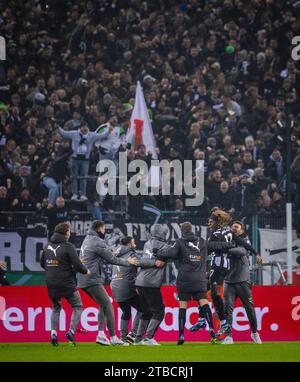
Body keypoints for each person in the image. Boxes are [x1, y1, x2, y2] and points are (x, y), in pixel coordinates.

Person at [156, 221, 237, 345]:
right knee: (204, 303)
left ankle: (181, 336)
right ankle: (211, 332)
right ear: (191, 229)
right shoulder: (202, 242)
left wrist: (158, 252)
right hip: (200, 280)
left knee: (183, 307)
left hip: (184, 280)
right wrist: (230, 244)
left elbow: (170, 253)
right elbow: (217, 245)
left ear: (182, 231)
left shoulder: (180, 242)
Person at [77, 220, 138, 346]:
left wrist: (111, 252)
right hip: (91, 278)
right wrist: (128, 262)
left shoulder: (88, 239)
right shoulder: (97, 241)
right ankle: (114, 338)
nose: (104, 232)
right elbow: (112, 259)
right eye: (104, 229)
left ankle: (100, 335)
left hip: (83, 278)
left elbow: (104, 252)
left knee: (103, 303)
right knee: (107, 304)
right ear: (99, 229)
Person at [40, 222, 90, 346]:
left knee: (56, 307)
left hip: (51, 283)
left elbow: (43, 264)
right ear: (66, 232)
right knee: (77, 306)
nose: (69, 233)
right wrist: (86, 270)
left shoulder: (47, 246)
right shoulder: (68, 246)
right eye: (68, 231)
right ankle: (71, 331)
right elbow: (77, 265)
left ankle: (53, 333)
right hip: (66, 283)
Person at [222, 221, 263, 345]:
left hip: (243, 281)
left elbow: (241, 251)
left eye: (236, 227)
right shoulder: (227, 239)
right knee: (227, 309)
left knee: (249, 309)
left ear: (241, 230)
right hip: (228, 281)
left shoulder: (245, 240)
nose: (233, 229)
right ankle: (228, 336)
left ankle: (254, 333)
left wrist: (225, 248)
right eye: (232, 227)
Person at [134, 224, 169, 346]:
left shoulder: (147, 243)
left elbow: (141, 261)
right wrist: (155, 262)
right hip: (151, 283)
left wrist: (151, 262)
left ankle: (138, 339)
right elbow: (159, 264)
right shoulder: (165, 247)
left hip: (140, 282)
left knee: (146, 311)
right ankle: (148, 338)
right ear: (164, 233)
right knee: (159, 311)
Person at [58, 122, 110, 201]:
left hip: (85, 159)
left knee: (84, 177)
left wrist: (109, 131)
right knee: (74, 176)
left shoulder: (91, 135)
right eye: (83, 127)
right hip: (75, 158)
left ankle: (83, 194)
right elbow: (64, 134)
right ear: (80, 128)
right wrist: (58, 127)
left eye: (86, 127)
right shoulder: (74, 133)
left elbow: (101, 136)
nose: (85, 129)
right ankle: (75, 193)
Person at [110, 236, 143, 344]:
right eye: (133, 242)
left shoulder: (115, 254)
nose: (135, 245)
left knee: (126, 313)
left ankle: (123, 339)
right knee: (144, 309)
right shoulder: (131, 254)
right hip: (127, 287)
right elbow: (142, 264)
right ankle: (133, 334)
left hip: (115, 287)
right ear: (129, 244)